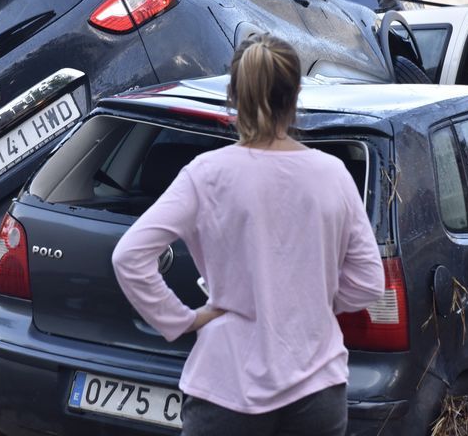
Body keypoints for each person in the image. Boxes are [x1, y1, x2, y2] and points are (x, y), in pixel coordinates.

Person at [111, 33, 386, 436]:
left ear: (233, 97)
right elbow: (368, 282)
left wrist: (182, 320)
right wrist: (312, 299)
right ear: (293, 98)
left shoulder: (206, 174)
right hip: (318, 391)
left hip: (227, 387)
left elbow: (129, 257)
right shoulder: (333, 175)